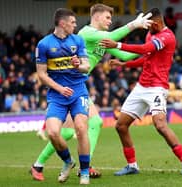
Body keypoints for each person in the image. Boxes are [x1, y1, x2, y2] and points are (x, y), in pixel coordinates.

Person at [31, 3, 153, 181]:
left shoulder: (101, 40)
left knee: (88, 124)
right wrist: (134, 25)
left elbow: (124, 55)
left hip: (77, 85)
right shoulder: (86, 33)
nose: (110, 21)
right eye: (107, 17)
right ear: (96, 17)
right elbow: (112, 36)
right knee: (75, 128)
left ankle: (43, 166)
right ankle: (71, 166)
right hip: (68, 85)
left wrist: (149, 50)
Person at [99, 7, 182, 176]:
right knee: (121, 126)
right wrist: (125, 65)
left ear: (157, 23)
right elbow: (146, 58)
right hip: (141, 86)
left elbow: (145, 48)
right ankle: (132, 166)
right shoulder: (151, 33)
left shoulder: (167, 37)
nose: (148, 28)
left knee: (160, 125)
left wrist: (118, 45)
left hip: (157, 88)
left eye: (150, 25)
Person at [32, 8, 91, 185]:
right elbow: (41, 75)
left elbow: (86, 66)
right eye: (72, 22)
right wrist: (60, 88)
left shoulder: (78, 40)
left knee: (81, 128)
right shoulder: (44, 44)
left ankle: (85, 172)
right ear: (63, 23)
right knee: (52, 132)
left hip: (78, 91)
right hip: (57, 95)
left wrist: (78, 64)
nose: (75, 25)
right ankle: (68, 162)